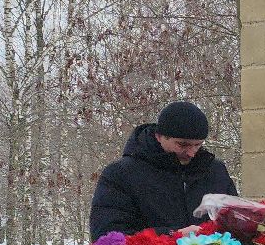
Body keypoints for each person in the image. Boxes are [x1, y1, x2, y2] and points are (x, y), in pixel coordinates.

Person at [89, 100, 237, 237]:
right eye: (182, 145)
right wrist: (173, 236)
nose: (192, 153)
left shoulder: (215, 171)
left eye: (197, 145)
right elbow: (107, 237)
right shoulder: (121, 174)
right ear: (159, 136)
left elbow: (235, 222)